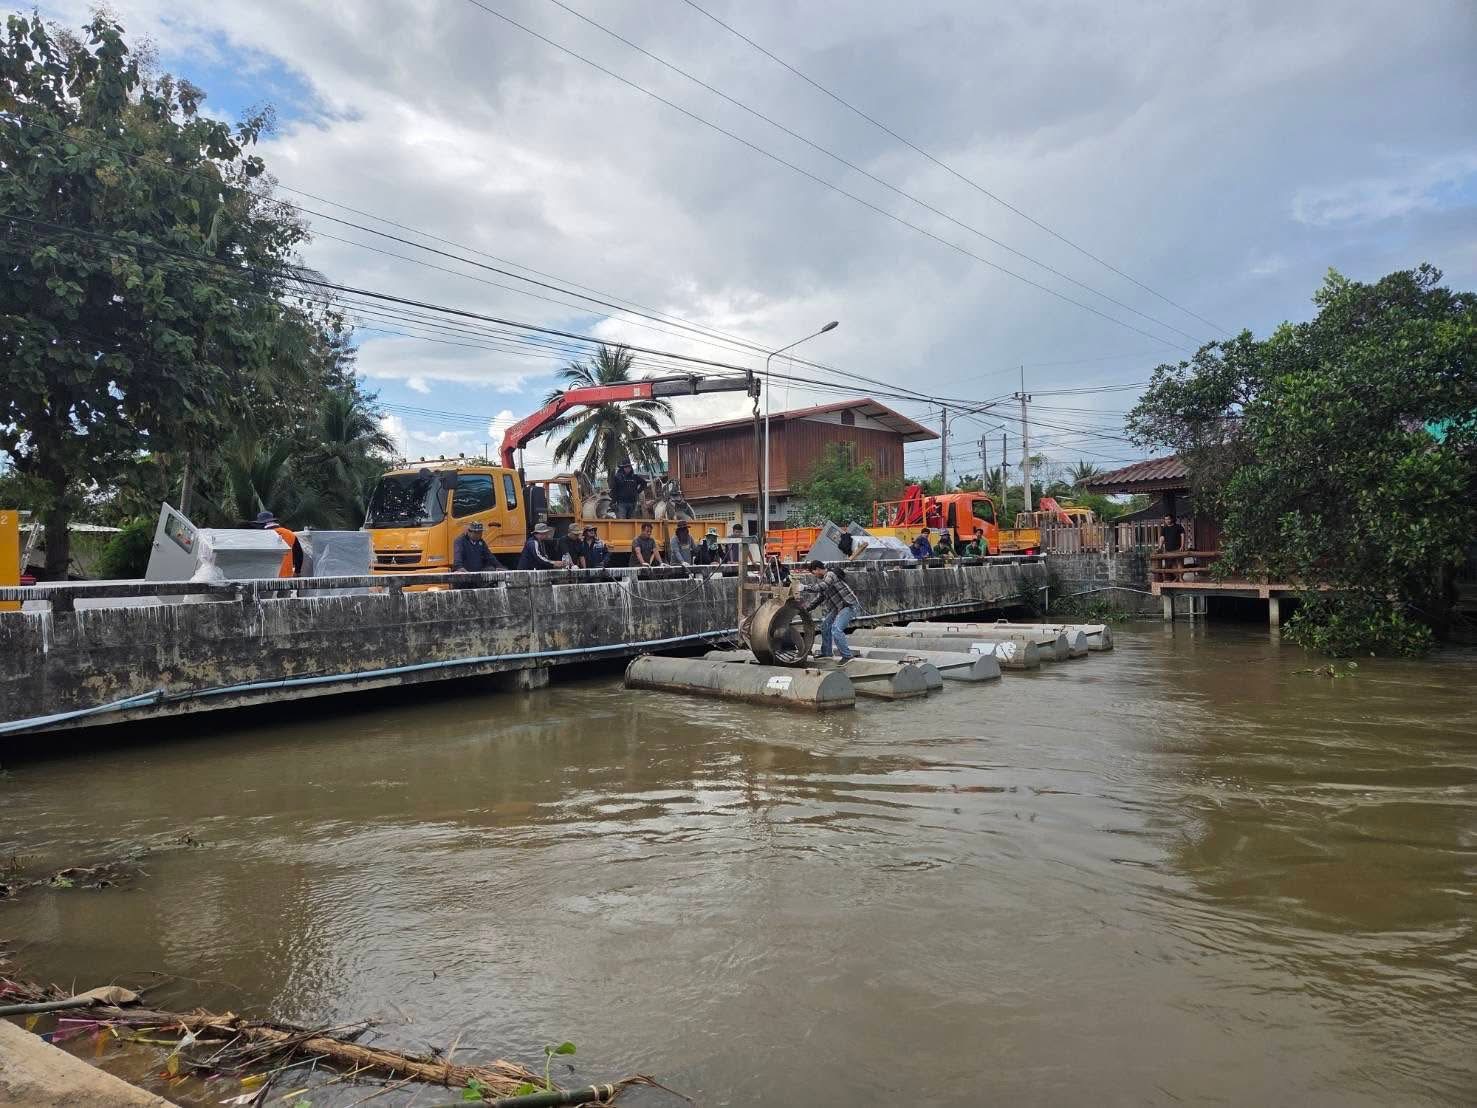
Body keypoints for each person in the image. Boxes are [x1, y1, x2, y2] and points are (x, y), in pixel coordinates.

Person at [799, 558, 860, 663]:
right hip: (839, 607)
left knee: (836, 630)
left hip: (848, 605)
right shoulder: (825, 580)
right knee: (825, 626)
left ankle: (847, 656)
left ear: (818, 569)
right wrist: (805, 609)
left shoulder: (830, 575)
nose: (815, 576)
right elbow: (819, 598)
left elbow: (823, 586)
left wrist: (804, 587)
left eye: (814, 573)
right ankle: (827, 653)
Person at [255, 510, 302, 577]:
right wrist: (297, 571)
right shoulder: (290, 534)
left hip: (268, 577)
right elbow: (299, 554)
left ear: (262, 523)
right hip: (287, 576)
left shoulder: (263, 535)